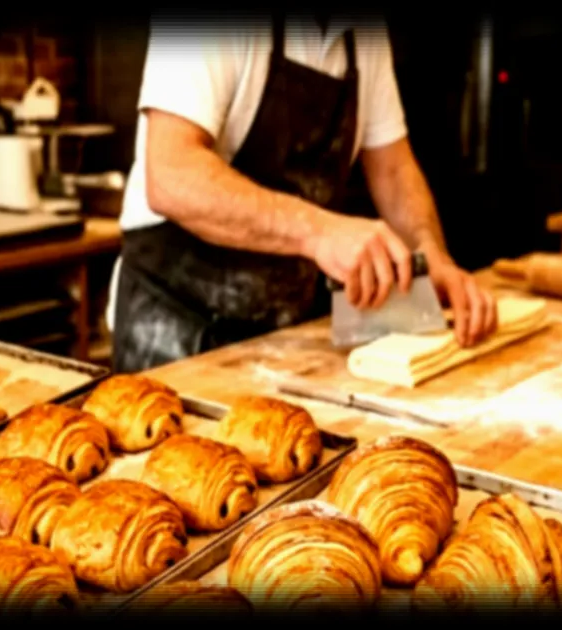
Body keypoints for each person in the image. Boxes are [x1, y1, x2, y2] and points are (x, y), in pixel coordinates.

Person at [108, 12, 497, 374]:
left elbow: (393, 169)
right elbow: (172, 172)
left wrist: (433, 256)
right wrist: (321, 232)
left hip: (281, 342)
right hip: (174, 333)